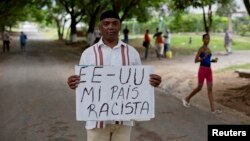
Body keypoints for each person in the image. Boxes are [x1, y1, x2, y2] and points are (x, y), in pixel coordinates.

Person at [67, 10, 162, 141]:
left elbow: (139, 83)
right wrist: (74, 83)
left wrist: (152, 82)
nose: (110, 27)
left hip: (123, 121)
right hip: (96, 121)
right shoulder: (88, 54)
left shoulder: (131, 53)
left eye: (114, 23)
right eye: (106, 24)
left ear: (120, 26)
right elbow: (84, 85)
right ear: (100, 27)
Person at [182, 33, 220, 114]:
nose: (207, 40)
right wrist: (203, 58)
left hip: (209, 70)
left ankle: (213, 110)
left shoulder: (209, 49)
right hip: (202, 70)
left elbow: (208, 60)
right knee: (199, 87)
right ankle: (187, 98)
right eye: (206, 38)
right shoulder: (201, 49)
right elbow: (195, 60)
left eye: (208, 39)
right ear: (202, 40)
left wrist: (213, 61)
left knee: (210, 89)